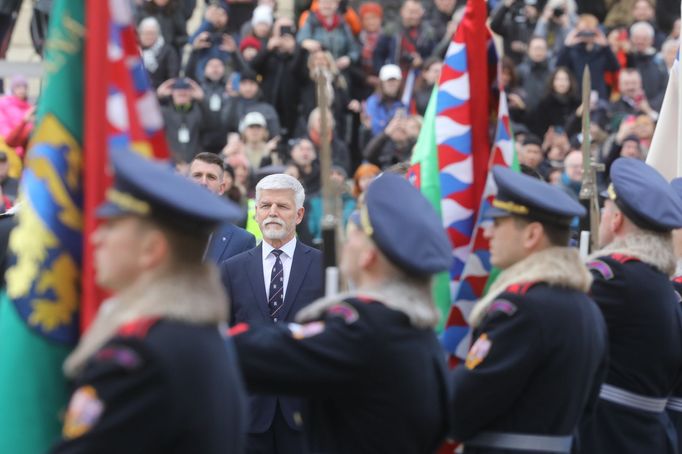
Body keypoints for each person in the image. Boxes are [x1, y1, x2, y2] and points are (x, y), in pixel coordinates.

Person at [228, 172, 452, 453]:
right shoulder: (410, 327)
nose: (344, 243)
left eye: (352, 235)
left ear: (368, 256)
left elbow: (253, 351)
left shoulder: (364, 328)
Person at [50, 149, 247, 453]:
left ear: (151, 249)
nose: (96, 239)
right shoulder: (199, 336)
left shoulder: (139, 359)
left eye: (112, 226)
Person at [450, 166, 608, 453]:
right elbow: (587, 411)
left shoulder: (520, 309)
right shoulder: (586, 306)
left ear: (532, 234)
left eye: (499, 223)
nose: (488, 233)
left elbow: (460, 408)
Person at [579, 158, 682, 453]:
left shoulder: (614, 277)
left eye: (608, 211)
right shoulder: (658, 282)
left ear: (615, 220)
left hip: (608, 435)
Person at [220, 173, 323, 454]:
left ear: (299, 214)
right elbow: (224, 337)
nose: (272, 213)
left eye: (282, 206)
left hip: (305, 411)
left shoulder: (323, 268)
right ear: (255, 211)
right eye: (265, 206)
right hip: (249, 413)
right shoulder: (231, 269)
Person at [188, 152, 255, 264]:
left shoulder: (242, 241)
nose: (203, 182)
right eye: (197, 175)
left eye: (211, 177)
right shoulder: (164, 230)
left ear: (221, 188)